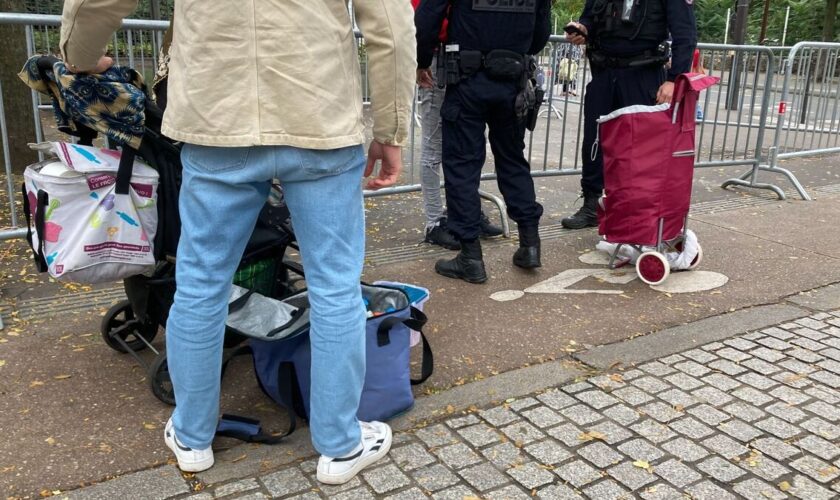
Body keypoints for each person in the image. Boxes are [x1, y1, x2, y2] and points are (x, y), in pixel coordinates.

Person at [60, 0, 415, 486]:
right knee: (334, 283)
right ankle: (339, 445)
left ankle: (192, 437)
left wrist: (77, 57)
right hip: (319, 115)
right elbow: (391, 25)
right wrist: (390, 128)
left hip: (216, 116)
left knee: (201, 282)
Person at [415, 0, 551, 284]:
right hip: (512, 82)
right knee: (513, 160)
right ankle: (529, 244)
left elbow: (428, 18)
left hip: (468, 81)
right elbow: (540, 35)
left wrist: (422, 61)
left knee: (462, 167)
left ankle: (470, 258)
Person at [560, 0, 697, 229]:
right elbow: (589, 21)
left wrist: (674, 80)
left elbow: (686, 36)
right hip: (604, 74)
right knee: (595, 142)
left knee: (640, 148)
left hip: (643, 75)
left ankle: (637, 211)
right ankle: (592, 204)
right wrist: (582, 30)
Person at [411, 0, 503, 250]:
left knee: (466, 145)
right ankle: (434, 222)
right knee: (434, 146)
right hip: (441, 55)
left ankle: (465, 213)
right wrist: (422, 59)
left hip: (463, 56)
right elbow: (425, 17)